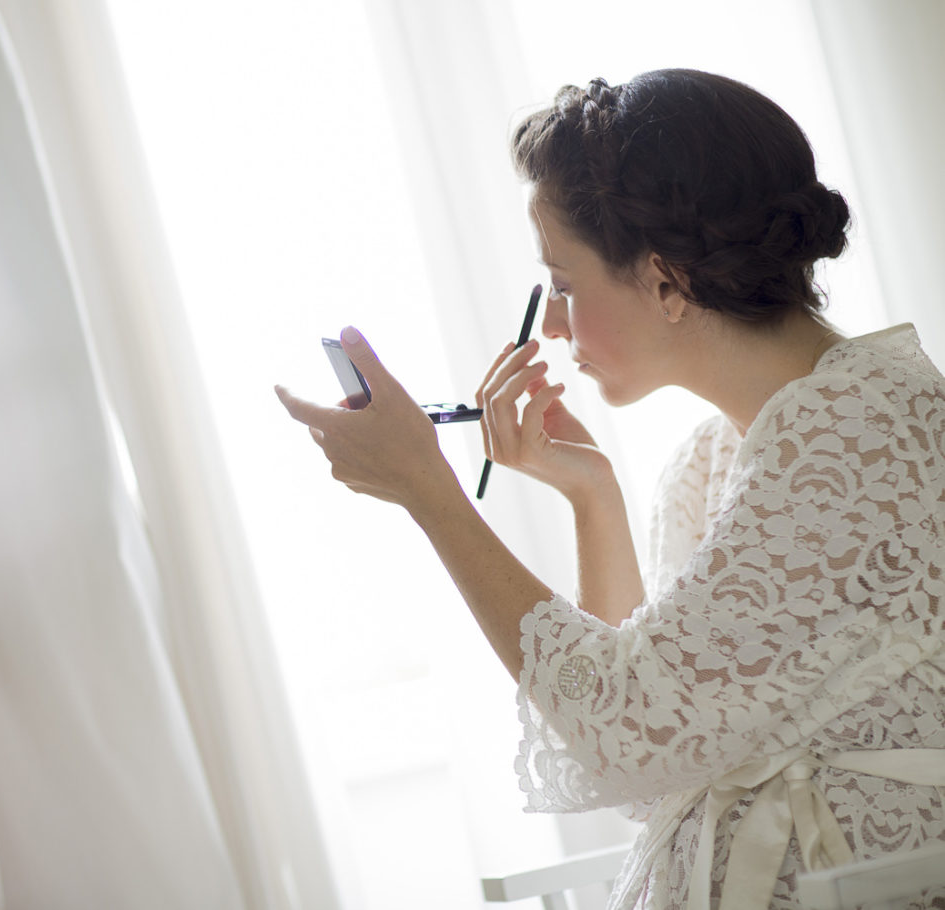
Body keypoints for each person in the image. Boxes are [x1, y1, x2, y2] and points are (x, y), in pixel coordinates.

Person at [275, 69, 945, 909]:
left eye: (560, 286)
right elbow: (643, 764)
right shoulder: (715, 459)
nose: (552, 327)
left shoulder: (853, 428)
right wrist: (592, 497)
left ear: (665, 282)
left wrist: (432, 497)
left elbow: (631, 728)